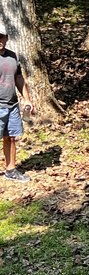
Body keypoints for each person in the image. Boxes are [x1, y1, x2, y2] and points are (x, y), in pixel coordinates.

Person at [0, 24, 34, 182]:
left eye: (1, 37)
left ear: (6, 38)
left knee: (11, 137)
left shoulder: (13, 56)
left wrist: (26, 98)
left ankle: (11, 169)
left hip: (12, 105)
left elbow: (18, 78)